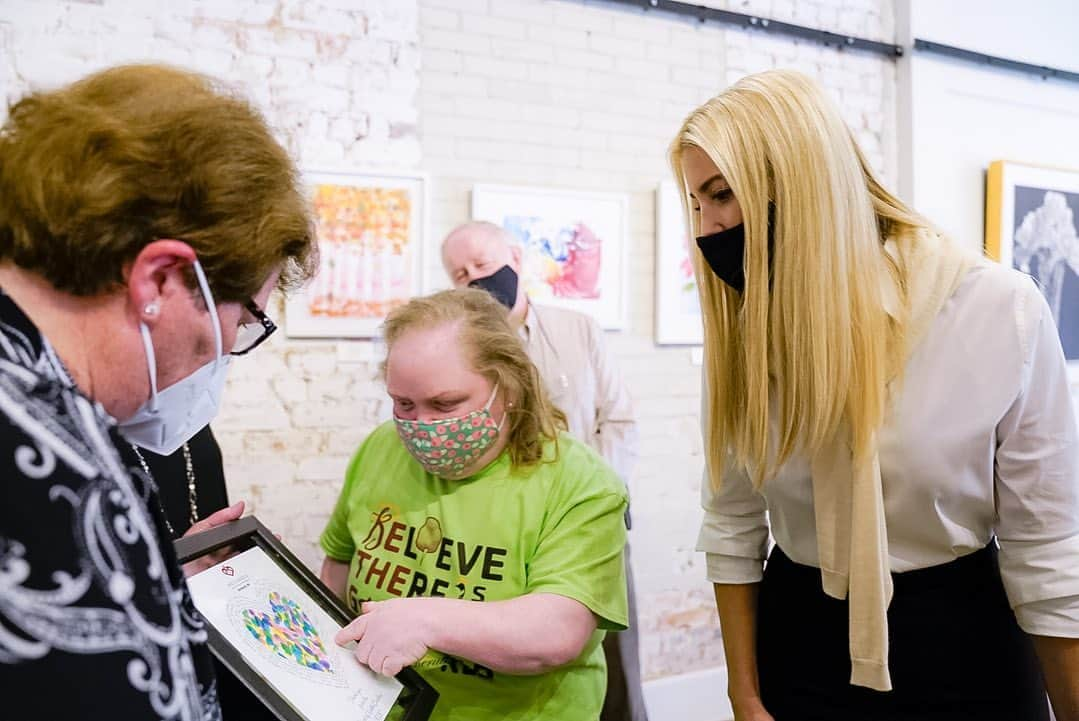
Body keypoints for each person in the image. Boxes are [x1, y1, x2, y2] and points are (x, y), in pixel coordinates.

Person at [673, 69, 1079, 721]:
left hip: (961, 635)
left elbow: (1047, 543)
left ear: (803, 185)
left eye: (721, 195)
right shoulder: (750, 331)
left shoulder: (993, 310)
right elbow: (732, 519)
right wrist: (742, 694)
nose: (707, 227)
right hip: (799, 635)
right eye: (696, 204)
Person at [0, 64, 316, 720]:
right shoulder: (46, 454)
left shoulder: (47, 399)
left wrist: (164, 575)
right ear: (162, 279)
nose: (229, 351)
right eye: (243, 320)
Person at [319, 288, 629, 721]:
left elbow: (557, 632)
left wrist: (426, 621)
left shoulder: (578, 482)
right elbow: (339, 564)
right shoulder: (380, 448)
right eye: (403, 404)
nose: (421, 426)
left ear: (509, 387)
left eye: (445, 404)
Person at [441, 221, 646, 721]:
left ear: (513, 255)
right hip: (507, 539)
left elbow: (618, 420)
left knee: (617, 672)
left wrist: (594, 496)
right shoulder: (459, 351)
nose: (476, 280)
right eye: (461, 274)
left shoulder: (579, 329)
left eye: (484, 265)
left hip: (589, 529)